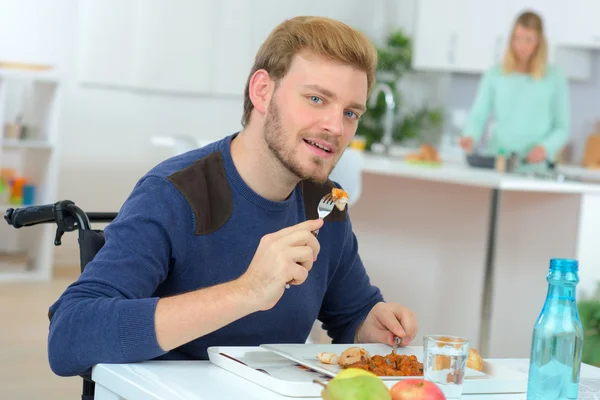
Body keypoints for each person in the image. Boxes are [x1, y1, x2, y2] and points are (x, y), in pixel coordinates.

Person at [47, 16, 418, 377]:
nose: (336, 127)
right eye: (317, 99)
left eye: (351, 112)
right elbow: (69, 336)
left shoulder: (327, 202)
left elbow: (351, 313)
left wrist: (372, 325)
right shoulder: (175, 193)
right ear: (262, 91)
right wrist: (247, 291)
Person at [459, 11, 570, 164]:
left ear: (539, 42)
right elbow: (478, 115)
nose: (521, 45)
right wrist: (470, 135)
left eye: (528, 39)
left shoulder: (554, 77)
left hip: (535, 166)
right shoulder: (495, 74)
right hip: (498, 160)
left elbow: (562, 127)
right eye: (517, 38)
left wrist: (545, 148)